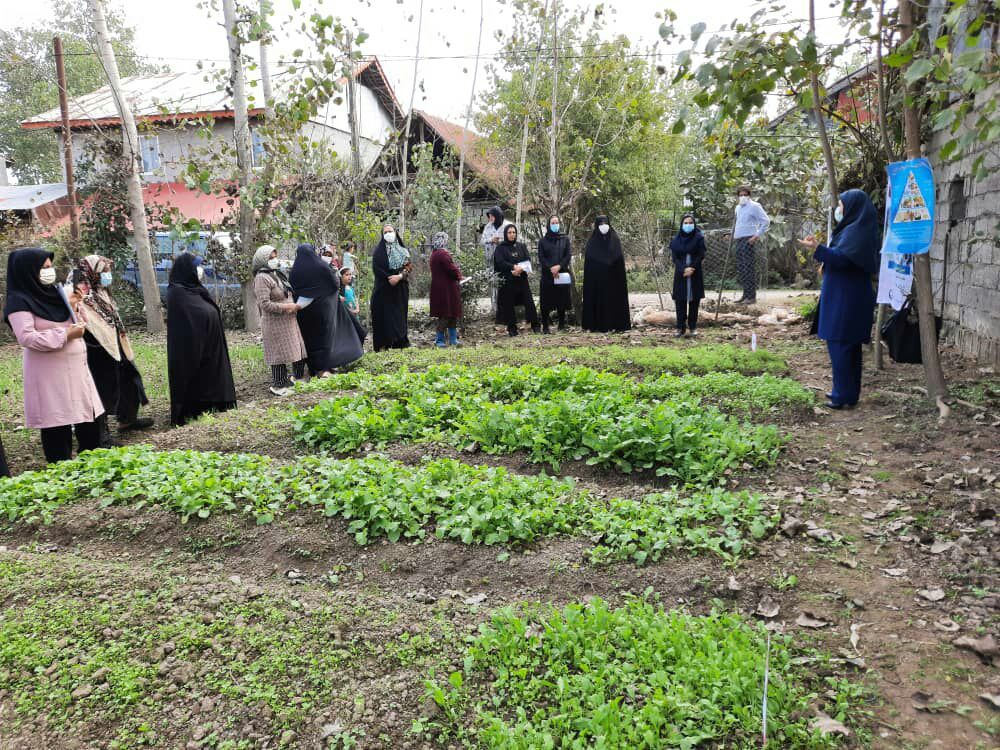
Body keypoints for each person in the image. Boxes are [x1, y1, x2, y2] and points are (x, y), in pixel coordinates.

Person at [3, 247, 104, 463]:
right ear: (28, 271)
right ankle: (62, 476)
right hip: (49, 374)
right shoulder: (19, 301)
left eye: (50, 267)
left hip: (77, 369)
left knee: (89, 419)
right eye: (43, 268)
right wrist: (65, 334)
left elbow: (80, 322)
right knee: (57, 424)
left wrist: (76, 305)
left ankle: (93, 468)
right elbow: (27, 337)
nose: (49, 271)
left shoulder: (57, 293)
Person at [798, 189, 879, 410]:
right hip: (847, 295)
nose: (838, 210)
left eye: (841, 205)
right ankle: (848, 393)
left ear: (852, 207)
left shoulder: (856, 232)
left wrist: (818, 248)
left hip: (846, 298)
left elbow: (844, 259)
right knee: (848, 347)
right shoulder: (856, 229)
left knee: (840, 344)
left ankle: (841, 394)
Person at [73, 256, 152, 447]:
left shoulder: (101, 291)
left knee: (130, 380)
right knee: (101, 391)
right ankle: (102, 435)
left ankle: (128, 419)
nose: (108, 274)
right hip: (96, 350)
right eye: (104, 270)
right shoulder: (80, 294)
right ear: (93, 272)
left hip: (115, 344)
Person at [166, 252, 237, 426]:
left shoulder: (195, 289)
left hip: (210, 347)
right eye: (196, 266)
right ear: (187, 269)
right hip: (193, 350)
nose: (200, 270)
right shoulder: (177, 293)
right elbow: (190, 319)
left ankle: (215, 403)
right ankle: (194, 408)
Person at [290, 243, 364, 374]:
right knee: (325, 338)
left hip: (304, 312)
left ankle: (314, 368)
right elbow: (335, 283)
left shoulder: (295, 270)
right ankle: (325, 368)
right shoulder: (321, 266)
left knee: (309, 339)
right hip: (324, 309)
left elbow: (293, 290)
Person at [252, 245, 307, 396]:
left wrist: (293, 305)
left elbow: (285, 293)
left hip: (288, 320)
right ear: (262, 260)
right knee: (277, 353)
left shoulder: (276, 274)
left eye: (275, 256)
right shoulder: (261, 278)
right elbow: (264, 304)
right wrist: (287, 306)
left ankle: (292, 379)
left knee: (294, 349)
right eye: (270, 258)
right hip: (274, 322)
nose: (274, 260)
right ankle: (278, 385)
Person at [582, 216, 631, 333]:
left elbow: (619, 262)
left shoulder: (615, 240)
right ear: (596, 226)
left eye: (605, 223)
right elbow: (589, 265)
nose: (603, 226)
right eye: (600, 223)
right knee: (598, 302)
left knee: (614, 302)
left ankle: (617, 325)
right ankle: (596, 325)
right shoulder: (592, 243)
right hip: (597, 282)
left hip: (613, 281)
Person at [370, 224, 411, 351]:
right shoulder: (379, 252)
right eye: (385, 232)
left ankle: (400, 343)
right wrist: (390, 278)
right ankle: (384, 345)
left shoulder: (403, 250)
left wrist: (399, 277)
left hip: (400, 290)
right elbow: (377, 269)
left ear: (395, 232)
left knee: (399, 316)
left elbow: (408, 267)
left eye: (390, 231)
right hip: (383, 289)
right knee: (384, 317)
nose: (388, 234)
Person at [494, 224, 540, 337]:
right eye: (509, 232)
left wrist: (520, 269)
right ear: (505, 234)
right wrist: (513, 268)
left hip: (521, 279)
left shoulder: (521, 246)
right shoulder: (500, 248)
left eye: (514, 232)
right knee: (508, 304)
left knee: (529, 302)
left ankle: (536, 326)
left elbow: (528, 260)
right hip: (508, 280)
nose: (512, 234)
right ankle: (512, 328)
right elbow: (500, 262)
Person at [669, 214, 707, 338]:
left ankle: (693, 327)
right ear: (681, 225)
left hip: (695, 273)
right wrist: (683, 269)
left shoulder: (699, 238)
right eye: (685, 223)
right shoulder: (676, 240)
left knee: (694, 301)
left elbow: (701, 254)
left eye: (690, 222)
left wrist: (692, 268)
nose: (688, 225)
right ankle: (680, 327)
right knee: (680, 301)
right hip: (681, 274)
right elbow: (675, 258)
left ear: (694, 224)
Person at [733, 186, 770, 305]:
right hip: (738, 240)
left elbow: (766, 221)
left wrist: (756, 236)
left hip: (749, 240)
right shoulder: (737, 208)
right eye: (740, 195)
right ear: (738, 196)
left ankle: (751, 296)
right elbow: (738, 223)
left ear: (749, 195)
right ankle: (745, 295)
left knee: (749, 268)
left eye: (745, 195)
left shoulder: (755, 206)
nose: (742, 197)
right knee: (742, 269)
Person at [537, 214, 572, 334]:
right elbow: (541, 257)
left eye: (557, 223)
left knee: (561, 299)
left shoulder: (565, 239)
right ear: (548, 225)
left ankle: (562, 324)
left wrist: (559, 266)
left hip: (561, 274)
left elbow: (568, 255)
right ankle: (545, 326)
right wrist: (550, 268)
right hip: (548, 275)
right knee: (546, 301)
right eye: (553, 223)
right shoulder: (542, 241)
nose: (555, 225)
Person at [428, 231, 463, 347]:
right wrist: (459, 275)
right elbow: (451, 269)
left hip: (442, 288)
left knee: (451, 313)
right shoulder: (443, 254)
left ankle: (453, 340)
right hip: (446, 289)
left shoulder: (434, 254)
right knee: (446, 314)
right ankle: (440, 340)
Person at [480, 206, 511, 323]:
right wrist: (491, 240)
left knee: (505, 284)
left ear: (498, 215)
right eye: (489, 216)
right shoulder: (488, 226)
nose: (490, 218)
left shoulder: (507, 225)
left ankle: (507, 310)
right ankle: (495, 310)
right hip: (492, 260)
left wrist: (501, 241)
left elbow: (514, 239)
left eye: (492, 216)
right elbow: (482, 241)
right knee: (493, 284)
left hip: (505, 259)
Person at [339, 266, 367, 344]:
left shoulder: (350, 287)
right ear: (341, 276)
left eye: (350, 274)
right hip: (348, 314)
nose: (349, 276)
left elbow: (355, 298)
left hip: (355, 313)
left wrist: (357, 308)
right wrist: (351, 311)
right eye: (347, 274)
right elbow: (341, 303)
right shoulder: (340, 289)